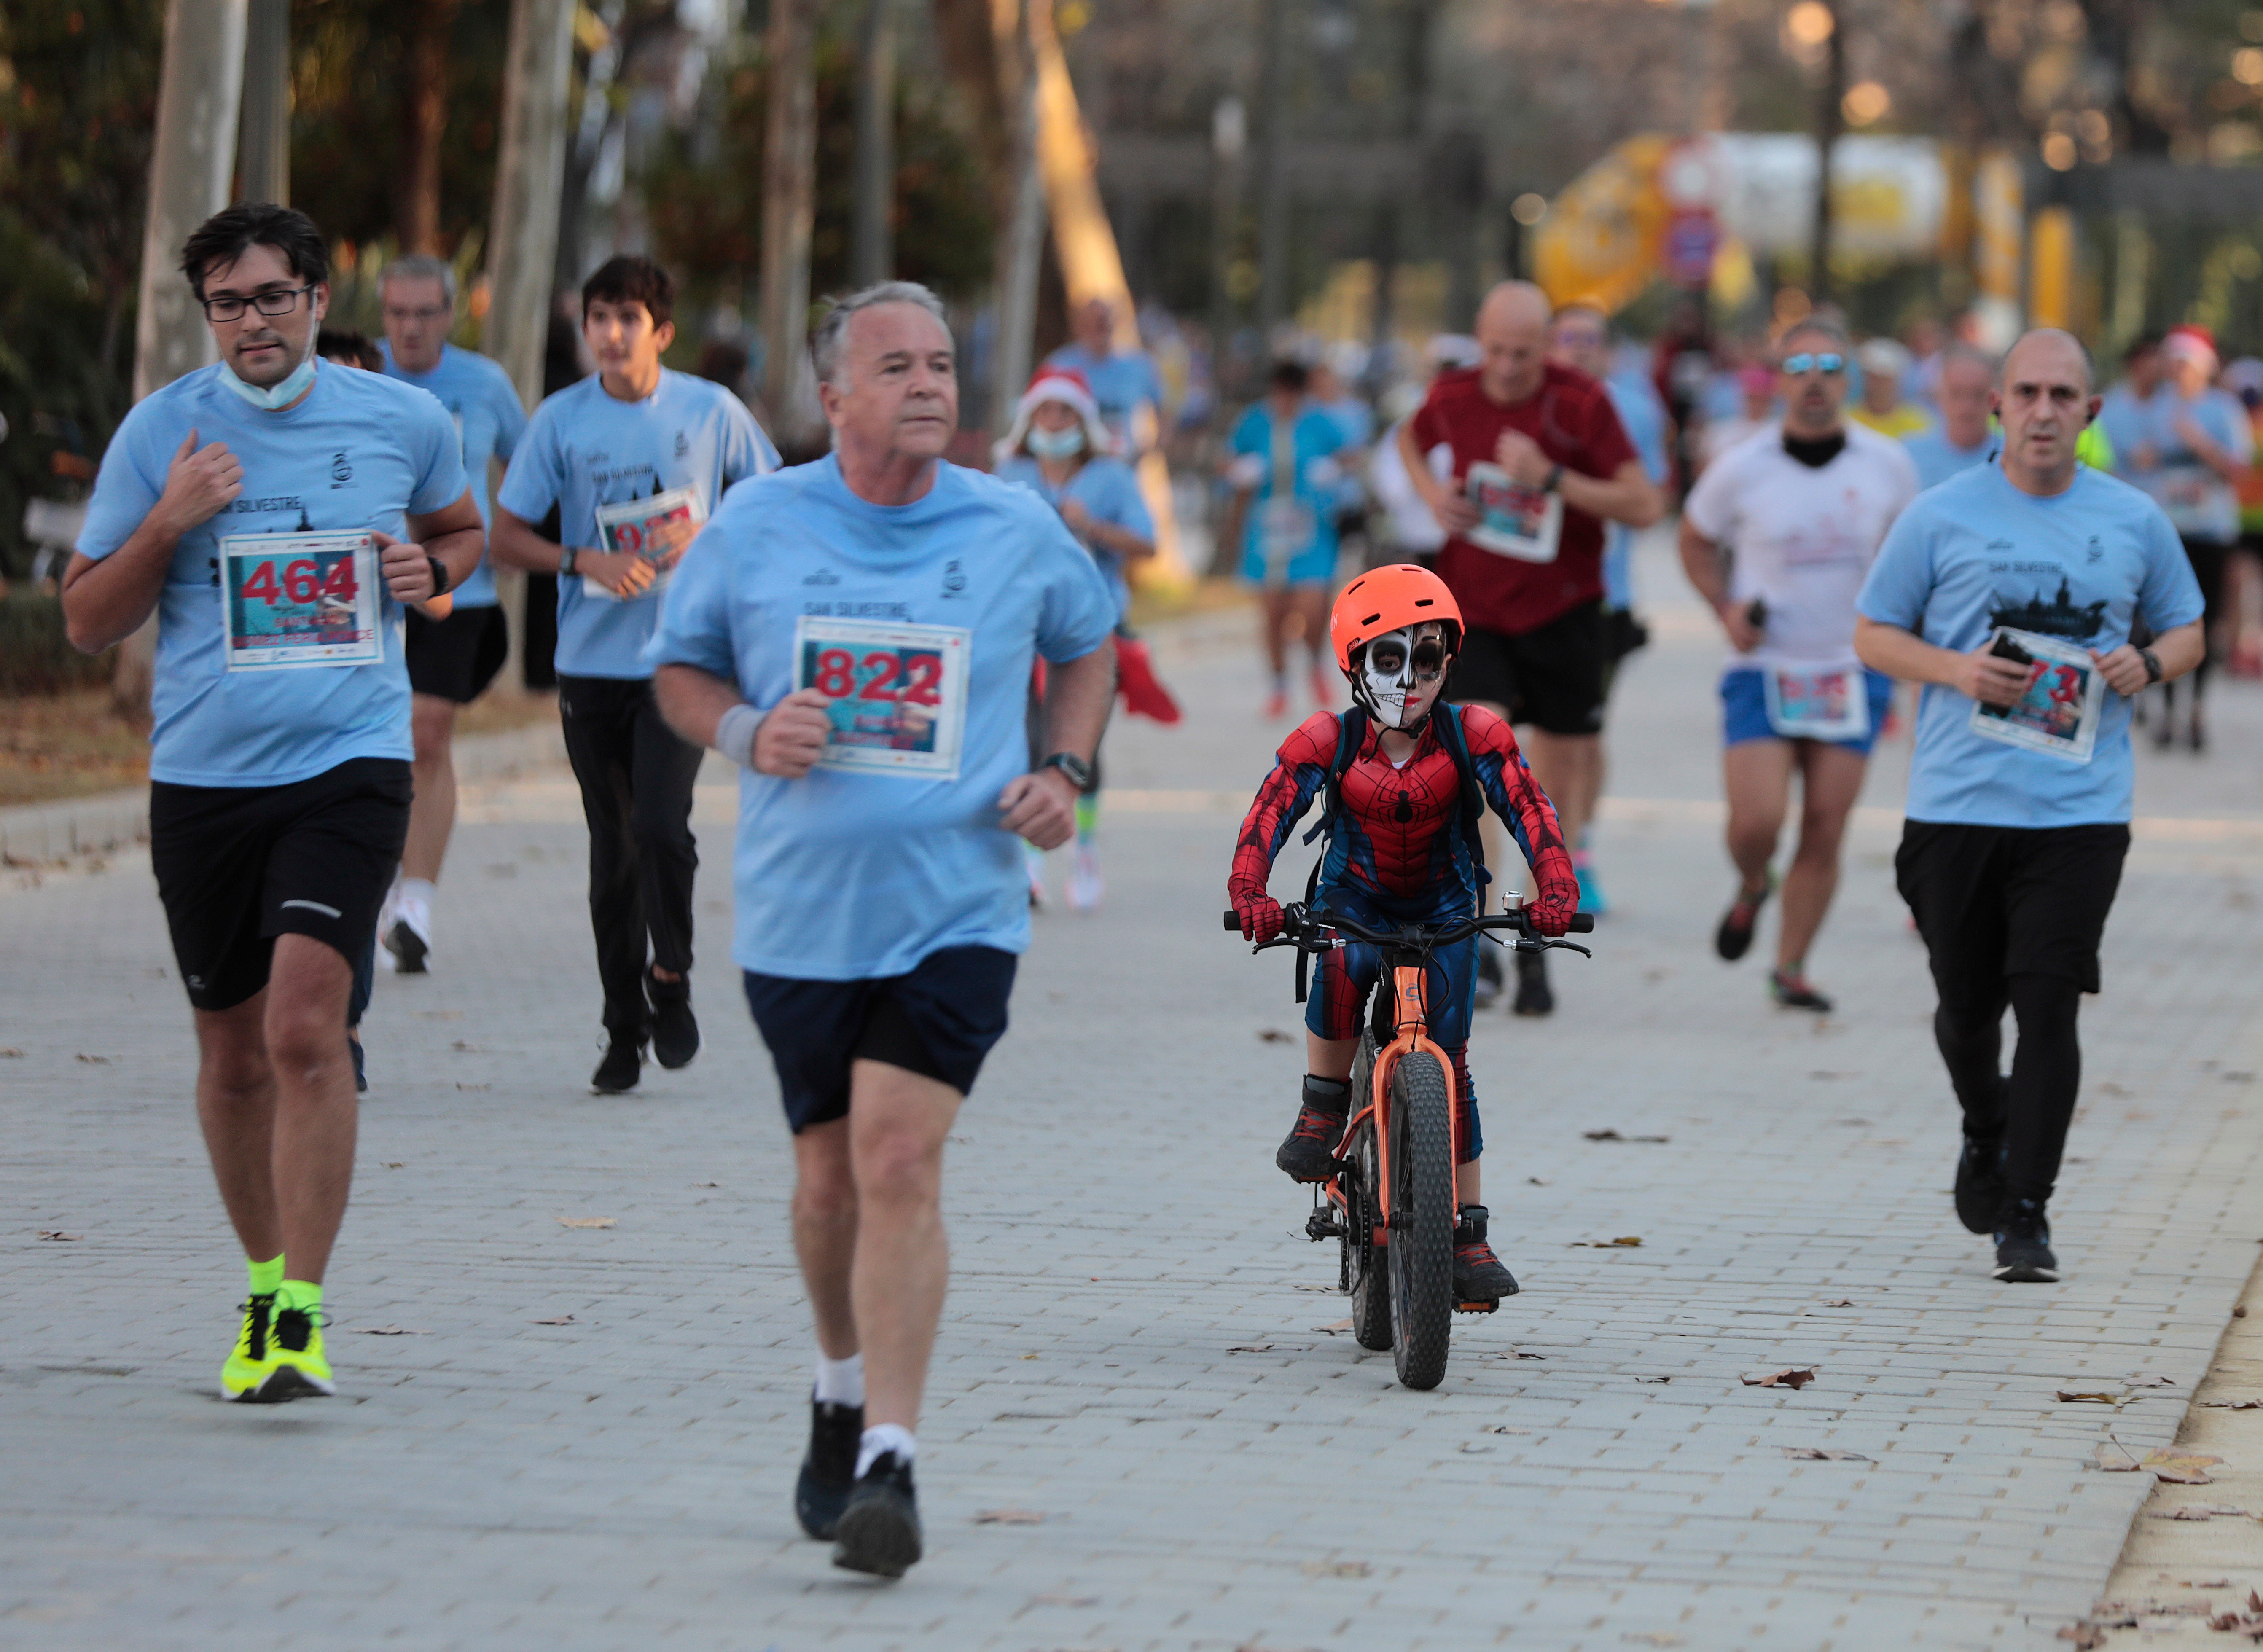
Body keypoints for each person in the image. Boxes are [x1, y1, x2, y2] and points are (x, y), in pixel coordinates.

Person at [648, 281, 1117, 1578]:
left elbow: (1091, 647)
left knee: (899, 1159)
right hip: (801, 919)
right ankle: (838, 1382)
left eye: (942, 363)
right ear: (834, 397)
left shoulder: (1013, 525)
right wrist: (746, 730)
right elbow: (680, 672)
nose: (928, 384)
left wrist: (1063, 771)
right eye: (895, 366)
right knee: (823, 1184)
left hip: (958, 909)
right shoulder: (759, 524)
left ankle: (892, 1462)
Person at [60, 203, 481, 1401]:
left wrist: (432, 573)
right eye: (230, 302)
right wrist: (168, 520)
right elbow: (89, 620)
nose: (253, 320)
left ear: (316, 299)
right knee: (233, 1054)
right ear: (210, 315)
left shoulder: (403, 418)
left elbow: (462, 527)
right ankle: (259, 1275)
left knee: (305, 1026)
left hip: (350, 765)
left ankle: (299, 1308)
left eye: (273, 296)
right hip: (203, 780)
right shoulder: (163, 430)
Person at [1854, 328, 2206, 1284]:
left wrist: (2147, 660)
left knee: (2046, 1002)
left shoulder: (2131, 518)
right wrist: (1952, 667)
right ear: (1998, 406)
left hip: (2077, 809)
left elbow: (2187, 628)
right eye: (2027, 392)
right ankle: (1982, 1121)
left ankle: (2026, 1209)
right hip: (1954, 804)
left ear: (2088, 413)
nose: (2043, 410)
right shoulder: (1937, 515)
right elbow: (1871, 631)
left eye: (2062, 394)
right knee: (1966, 1008)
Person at [1226, 564, 1580, 1303]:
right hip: (1351, 898)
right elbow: (1269, 814)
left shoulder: (1472, 730)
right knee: (1341, 962)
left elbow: (1529, 807)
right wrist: (1250, 891)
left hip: (1447, 904)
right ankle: (1322, 1102)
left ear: (1448, 661)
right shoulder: (1326, 736)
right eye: (1389, 658)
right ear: (1353, 662)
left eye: (1427, 659)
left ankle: (1468, 1231)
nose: (1410, 678)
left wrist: (1556, 885)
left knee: (1450, 1060)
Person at [492, 255, 777, 1093]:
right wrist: (583, 558)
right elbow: (504, 540)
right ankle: (622, 1026)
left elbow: (773, 507)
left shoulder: (710, 411)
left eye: (629, 319)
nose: (611, 336)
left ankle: (672, 977)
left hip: (680, 663)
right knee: (611, 848)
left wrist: (709, 537)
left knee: (660, 824)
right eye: (598, 319)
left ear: (662, 333)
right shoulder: (560, 421)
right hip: (590, 665)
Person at [1395, 281, 1662, 1016]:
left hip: (1567, 610)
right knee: (1480, 763)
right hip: (1475, 608)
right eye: (1494, 351)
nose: (1507, 368)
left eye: (1522, 353)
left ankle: (1541, 920)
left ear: (1546, 346)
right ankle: (1478, 931)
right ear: (1477, 340)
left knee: (1554, 778)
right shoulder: (1453, 393)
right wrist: (1429, 493)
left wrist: (1551, 479)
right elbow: (1409, 439)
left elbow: (1644, 502)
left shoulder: (1579, 403)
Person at [1679, 317, 1918, 1013]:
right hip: (1763, 666)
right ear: (1778, 379)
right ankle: (1754, 884)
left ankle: (1790, 966)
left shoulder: (1887, 463)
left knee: (1823, 821)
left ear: (1846, 379)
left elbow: (1911, 554)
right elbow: (1694, 540)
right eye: (1799, 367)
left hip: (1852, 668)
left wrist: (1902, 631)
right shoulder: (1742, 464)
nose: (1814, 380)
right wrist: (1724, 608)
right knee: (1755, 822)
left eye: (1828, 366)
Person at [374, 253, 530, 973]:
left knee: (427, 732)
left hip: (453, 588)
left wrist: (508, 539)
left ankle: (416, 901)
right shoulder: (358, 376)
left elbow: (528, 472)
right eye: (397, 313)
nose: (410, 327)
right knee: (378, 740)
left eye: (423, 312)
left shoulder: (484, 383)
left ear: (449, 313)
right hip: (363, 591)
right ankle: (370, 878)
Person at [993, 365, 1158, 911]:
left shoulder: (1110, 476)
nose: (1053, 420)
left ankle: (1084, 848)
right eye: (1044, 410)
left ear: (1083, 421)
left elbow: (1147, 544)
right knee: (1030, 743)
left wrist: (1091, 526)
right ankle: (1029, 860)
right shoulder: (1010, 470)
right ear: (1029, 416)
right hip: (1024, 630)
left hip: (1095, 633)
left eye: (1064, 411)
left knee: (1081, 747)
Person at [1548, 302, 1672, 919]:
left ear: (1608, 351)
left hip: (1604, 598)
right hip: (1526, 596)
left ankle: (1578, 852)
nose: (1579, 349)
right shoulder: (1525, 407)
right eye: (1567, 338)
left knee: (1585, 735)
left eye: (1591, 340)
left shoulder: (1634, 413)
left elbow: (1649, 499)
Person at [2139, 326, 2252, 750]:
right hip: (2167, 529)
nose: (2178, 370)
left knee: (2204, 619)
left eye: (2186, 363)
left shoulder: (2223, 409)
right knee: (2164, 620)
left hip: (2211, 529)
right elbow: (2138, 460)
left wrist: (2198, 444)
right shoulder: (2156, 407)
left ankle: (2198, 710)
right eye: (2174, 362)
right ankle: (2167, 710)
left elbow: (2237, 469)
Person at [1226, 360, 1349, 717]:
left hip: (1311, 528)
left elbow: (1349, 454)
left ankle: (1315, 664)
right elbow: (1228, 459)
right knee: (1273, 611)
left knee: (1313, 608)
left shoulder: (1319, 421)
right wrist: (1239, 471)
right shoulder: (1255, 420)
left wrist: (1334, 470)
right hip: (1266, 531)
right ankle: (1279, 685)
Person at [1045, 295, 1166, 456]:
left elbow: (1165, 408)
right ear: (1079, 326)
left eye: (1103, 323)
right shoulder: (1059, 365)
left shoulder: (1139, 366)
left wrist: (1152, 448)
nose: (1098, 329)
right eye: (1092, 323)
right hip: (1074, 465)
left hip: (1123, 463)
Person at [1901, 345, 1997, 490]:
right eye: (1956, 393)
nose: (1967, 407)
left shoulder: (2014, 457)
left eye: (1978, 394)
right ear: (1939, 395)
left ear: (1994, 399)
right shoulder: (1907, 458)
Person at [1847, 338, 1932, 440]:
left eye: (1885, 379)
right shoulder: (1847, 421)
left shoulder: (1919, 423)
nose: (1879, 385)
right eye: (1874, 378)